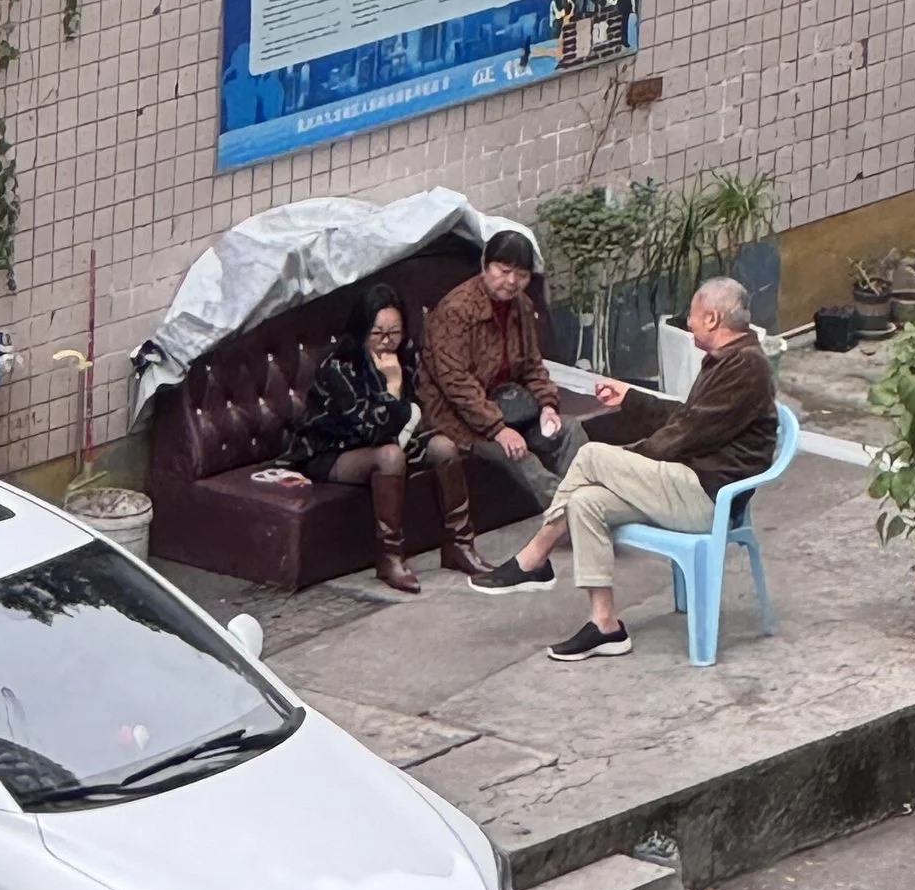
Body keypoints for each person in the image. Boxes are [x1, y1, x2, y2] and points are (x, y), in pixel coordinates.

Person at [469, 275, 779, 661]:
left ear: (713, 318)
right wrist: (630, 397)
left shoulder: (747, 367)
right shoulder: (725, 360)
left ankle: (534, 557)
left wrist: (626, 457)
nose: (689, 323)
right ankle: (605, 626)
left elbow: (686, 433)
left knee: (594, 456)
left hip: (708, 497)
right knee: (587, 502)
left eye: (693, 316)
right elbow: (686, 416)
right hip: (685, 484)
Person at [290, 288, 480, 593]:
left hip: (389, 442)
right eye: (377, 333)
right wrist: (392, 387)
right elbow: (371, 431)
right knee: (390, 456)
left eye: (394, 332)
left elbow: (412, 416)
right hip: (333, 452)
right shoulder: (340, 368)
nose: (386, 341)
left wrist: (400, 389)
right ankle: (390, 557)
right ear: (362, 330)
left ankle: (460, 544)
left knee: (444, 447)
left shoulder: (402, 360)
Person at [418, 230, 583, 518]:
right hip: (462, 420)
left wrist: (547, 406)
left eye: (521, 274)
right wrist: (497, 429)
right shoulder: (455, 311)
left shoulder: (522, 306)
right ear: (485, 265)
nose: (511, 282)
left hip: (515, 408)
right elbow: (455, 383)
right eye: (503, 270)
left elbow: (532, 365)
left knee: (569, 430)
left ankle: (587, 502)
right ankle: (574, 513)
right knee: (520, 455)